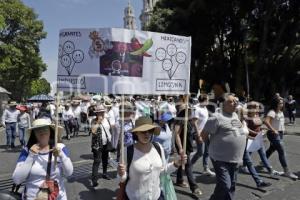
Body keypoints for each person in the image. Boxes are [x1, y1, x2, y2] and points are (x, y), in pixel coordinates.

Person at [117, 116, 187, 200]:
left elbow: (163, 171)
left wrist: (176, 164)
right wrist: (121, 174)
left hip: (157, 196)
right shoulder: (127, 151)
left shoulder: (158, 147)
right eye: (143, 131)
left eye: (150, 131)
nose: (147, 134)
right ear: (136, 133)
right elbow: (121, 179)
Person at [12, 118, 73, 200]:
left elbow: (69, 173)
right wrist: (30, 156)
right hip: (32, 197)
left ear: (50, 131)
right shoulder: (27, 150)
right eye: (38, 129)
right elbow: (17, 179)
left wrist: (61, 155)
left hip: (58, 197)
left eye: (45, 128)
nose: (42, 131)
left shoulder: (60, 147)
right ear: (34, 133)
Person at [201, 94, 248, 200]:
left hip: (235, 158)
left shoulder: (235, 115)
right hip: (220, 158)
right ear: (222, 104)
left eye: (235, 101)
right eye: (231, 101)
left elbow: (238, 132)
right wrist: (213, 147)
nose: (235, 103)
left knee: (231, 185)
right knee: (226, 185)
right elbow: (203, 135)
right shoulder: (216, 118)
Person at [264, 97, 298, 180]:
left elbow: (280, 123)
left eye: (282, 103)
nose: (281, 104)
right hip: (273, 134)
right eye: (279, 103)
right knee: (281, 151)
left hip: (280, 133)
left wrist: (283, 130)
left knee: (272, 148)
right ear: (275, 103)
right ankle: (286, 171)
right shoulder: (272, 112)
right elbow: (266, 121)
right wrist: (273, 130)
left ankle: (263, 160)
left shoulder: (280, 111)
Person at [174, 105, 203, 198]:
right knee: (188, 165)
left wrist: (198, 135)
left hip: (188, 145)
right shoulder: (180, 121)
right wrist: (181, 148)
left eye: (191, 110)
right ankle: (194, 187)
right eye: (188, 110)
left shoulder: (191, 119)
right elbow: (177, 135)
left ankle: (179, 180)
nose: (190, 112)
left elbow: (195, 127)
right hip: (182, 145)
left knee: (184, 162)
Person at [191, 94, 215, 176]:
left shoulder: (204, 108)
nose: (208, 101)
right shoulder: (197, 109)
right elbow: (194, 122)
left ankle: (206, 168)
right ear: (203, 100)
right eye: (207, 100)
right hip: (200, 133)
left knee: (207, 151)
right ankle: (189, 166)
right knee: (200, 152)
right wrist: (198, 135)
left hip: (206, 132)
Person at [91, 105, 113, 187]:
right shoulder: (94, 121)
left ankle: (104, 173)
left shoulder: (107, 120)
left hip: (106, 143)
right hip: (97, 145)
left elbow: (110, 129)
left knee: (105, 160)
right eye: (100, 112)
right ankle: (94, 180)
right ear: (97, 113)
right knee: (97, 161)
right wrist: (98, 122)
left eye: (103, 112)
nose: (102, 114)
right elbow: (93, 131)